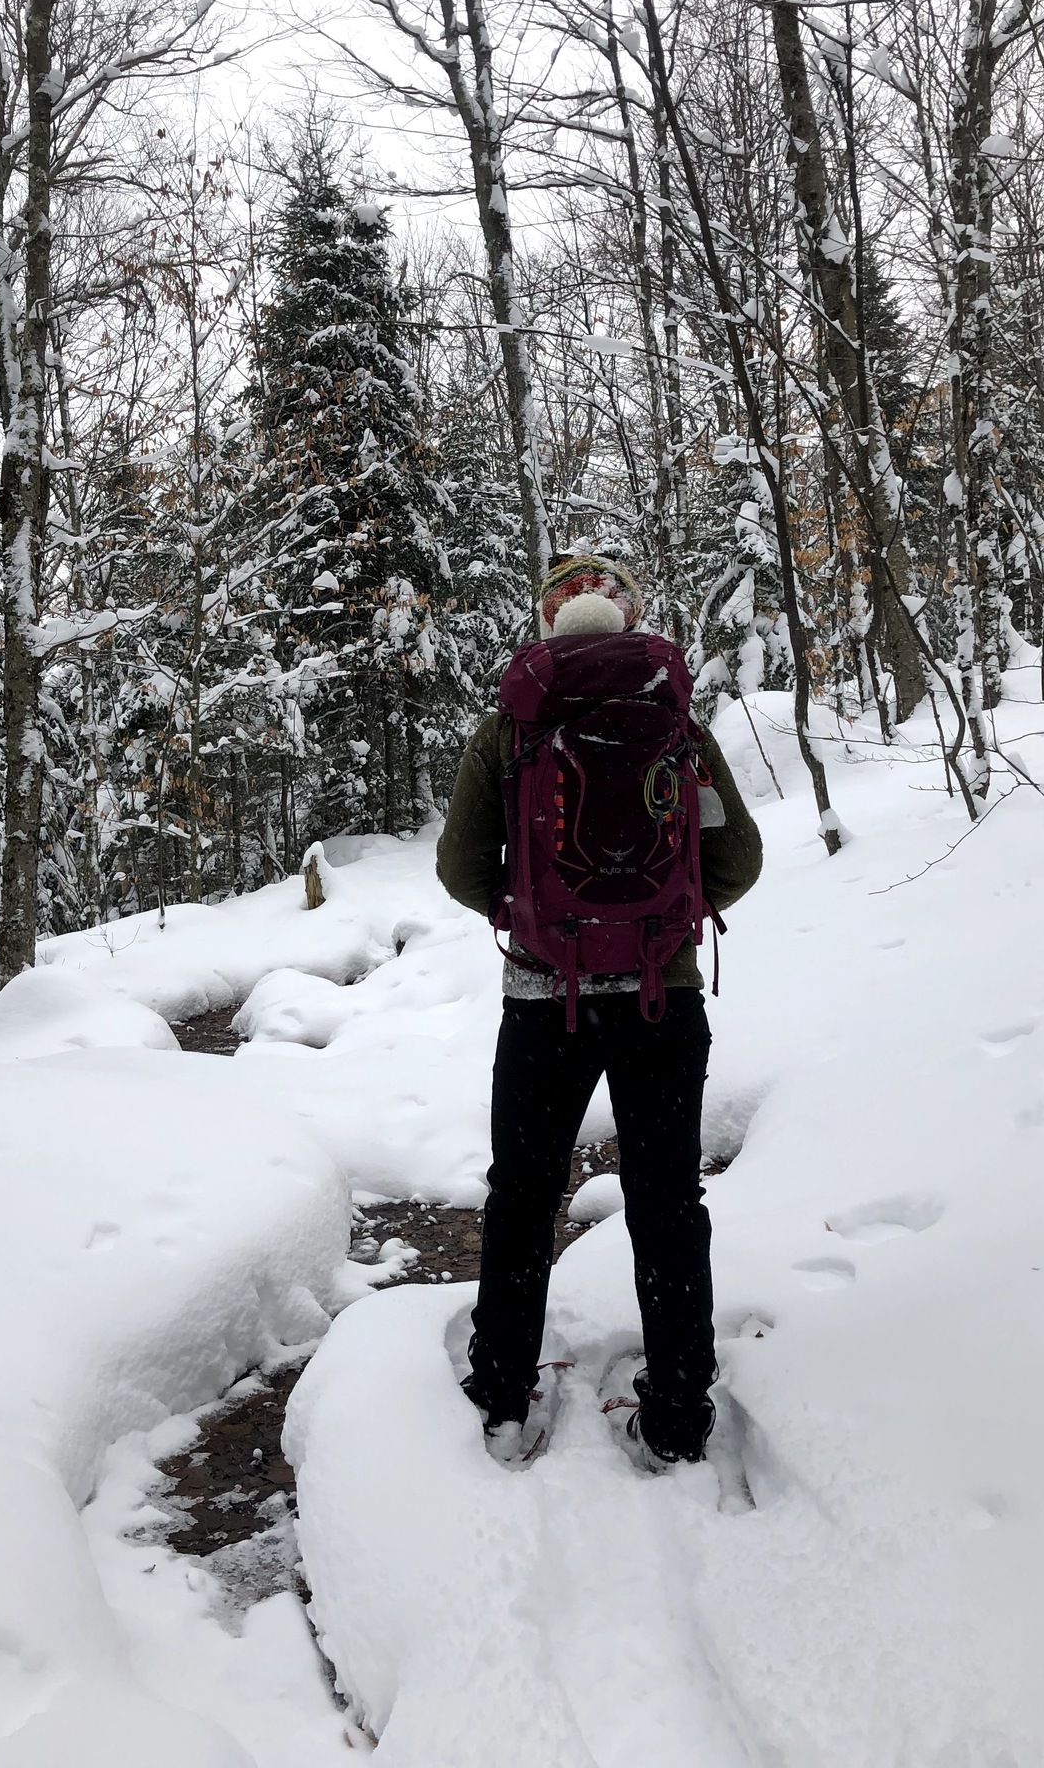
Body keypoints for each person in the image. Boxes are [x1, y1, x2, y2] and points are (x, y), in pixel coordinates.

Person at [435, 554, 763, 1466]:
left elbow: (461, 868)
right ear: (632, 620)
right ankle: (679, 1416)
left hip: (545, 1000)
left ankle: (503, 1396)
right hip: (665, 995)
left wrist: (535, 921)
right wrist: (666, 921)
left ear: (547, 624)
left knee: (522, 1195)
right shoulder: (677, 723)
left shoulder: (510, 724)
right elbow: (738, 860)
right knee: (668, 1201)